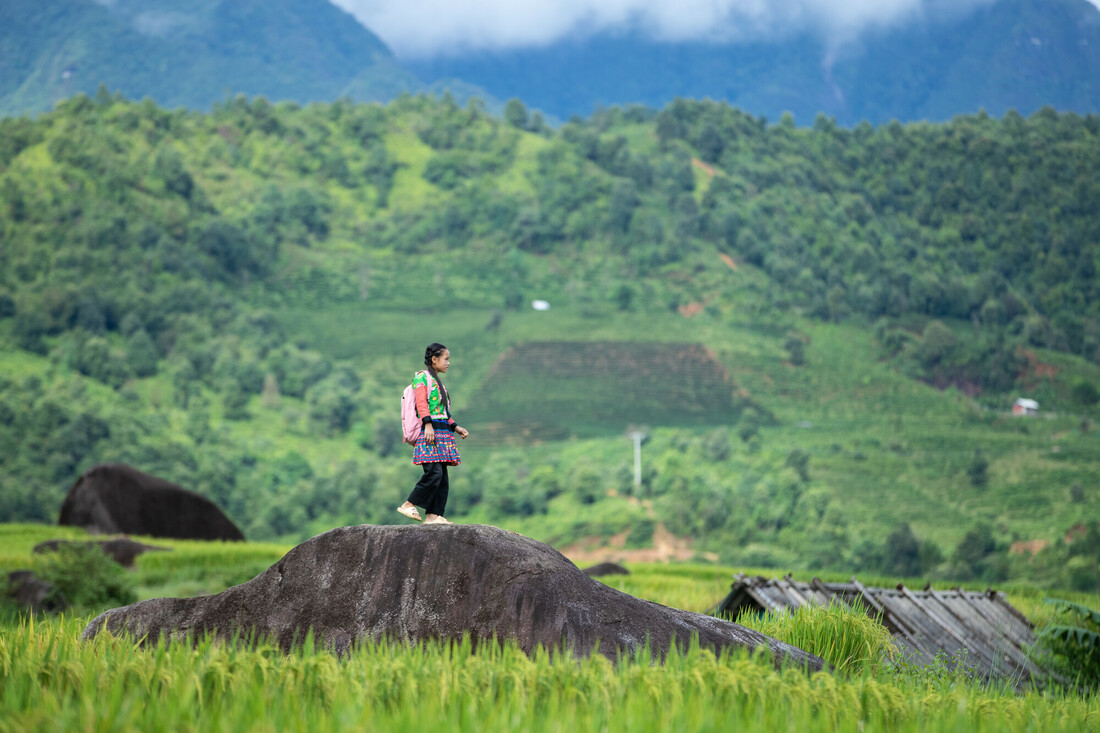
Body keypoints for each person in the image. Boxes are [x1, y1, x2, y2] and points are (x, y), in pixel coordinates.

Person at [397, 343, 469, 524]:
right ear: (434, 359)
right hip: (429, 433)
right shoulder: (422, 378)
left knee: (442, 477)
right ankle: (409, 503)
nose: (448, 363)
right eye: (446, 359)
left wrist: (456, 427)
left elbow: (443, 412)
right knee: (434, 473)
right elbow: (421, 403)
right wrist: (428, 425)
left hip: (442, 432)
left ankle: (433, 516)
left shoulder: (438, 383)